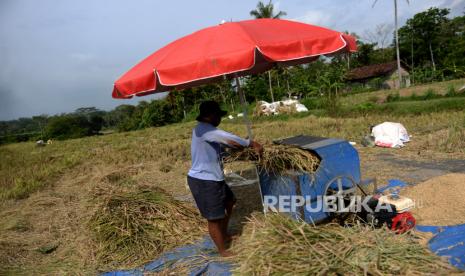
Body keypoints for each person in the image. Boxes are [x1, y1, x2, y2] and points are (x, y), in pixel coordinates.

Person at [187, 100, 262, 257]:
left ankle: (225, 234)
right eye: (218, 116)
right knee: (213, 218)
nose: (219, 119)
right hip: (204, 180)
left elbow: (222, 149)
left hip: (214, 177)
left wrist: (241, 153)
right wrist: (250, 143)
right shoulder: (207, 130)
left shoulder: (205, 130)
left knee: (229, 201)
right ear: (212, 116)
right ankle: (222, 250)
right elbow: (230, 139)